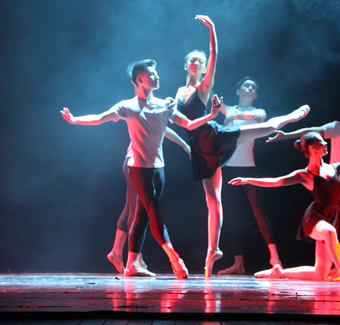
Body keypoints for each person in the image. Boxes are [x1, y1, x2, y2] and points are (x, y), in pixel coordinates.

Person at [61, 59, 225, 279]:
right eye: (152, 74)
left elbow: (187, 123)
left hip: (158, 169)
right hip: (138, 168)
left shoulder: (165, 105)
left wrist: (211, 116)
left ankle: (131, 264)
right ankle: (174, 257)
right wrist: (74, 120)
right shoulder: (127, 106)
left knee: (142, 216)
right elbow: (100, 118)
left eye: (156, 72)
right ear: (139, 79)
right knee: (153, 210)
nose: (157, 76)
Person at [176, 15, 310, 277]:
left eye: (201, 62)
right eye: (193, 60)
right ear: (185, 66)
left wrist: (213, 29)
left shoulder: (204, 87)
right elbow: (183, 123)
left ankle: (290, 117)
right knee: (213, 202)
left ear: (204, 69)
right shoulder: (179, 94)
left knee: (267, 128)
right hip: (200, 151)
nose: (197, 63)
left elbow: (215, 54)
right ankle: (213, 251)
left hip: (216, 138)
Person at [266, 66, 340, 279]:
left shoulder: (337, 127)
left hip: (333, 182)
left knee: (334, 225)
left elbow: (310, 132)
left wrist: (286, 135)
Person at [229, 132, 340, 281]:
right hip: (315, 218)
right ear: (313, 148)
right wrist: (248, 180)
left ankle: (279, 273)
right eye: (322, 142)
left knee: (319, 274)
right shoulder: (305, 174)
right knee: (329, 231)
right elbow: (276, 181)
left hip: (331, 217)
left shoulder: (335, 168)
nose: (326, 144)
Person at [217, 76, 281, 275]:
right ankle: (238, 264)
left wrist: (232, 118)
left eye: (253, 87)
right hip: (228, 168)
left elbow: (258, 118)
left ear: (256, 95)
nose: (250, 88)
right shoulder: (228, 109)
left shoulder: (258, 111)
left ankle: (275, 259)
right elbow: (209, 94)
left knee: (259, 212)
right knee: (232, 216)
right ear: (238, 91)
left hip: (248, 169)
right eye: (246, 85)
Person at [107, 128, 190, 276]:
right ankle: (133, 260)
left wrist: (184, 145)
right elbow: (165, 129)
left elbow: (164, 129)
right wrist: (185, 145)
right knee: (138, 211)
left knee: (131, 208)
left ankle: (118, 252)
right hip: (137, 164)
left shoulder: (154, 117)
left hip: (137, 163)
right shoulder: (149, 116)